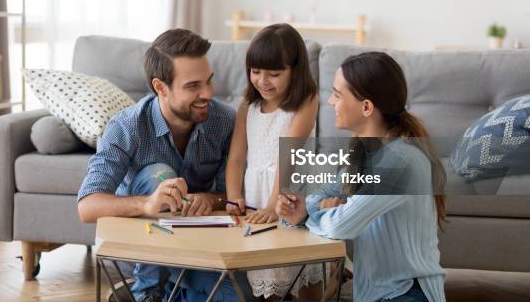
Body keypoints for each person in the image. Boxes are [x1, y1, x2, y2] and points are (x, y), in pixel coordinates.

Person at [77, 29, 243, 302]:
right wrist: (146, 204)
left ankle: (169, 292)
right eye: (193, 86)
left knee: (236, 296)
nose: (207, 94)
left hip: (197, 247)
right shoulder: (127, 126)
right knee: (159, 176)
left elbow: (231, 196)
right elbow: (87, 206)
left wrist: (209, 199)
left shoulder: (223, 121)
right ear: (160, 88)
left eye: (209, 81)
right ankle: (147, 294)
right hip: (143, 249)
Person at [276, 51, 447, 302]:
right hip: (378, 294)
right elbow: (319, 194)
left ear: (366, 107)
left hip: (407, 294)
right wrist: (304, 210)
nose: (331, 103)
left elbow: (339, 225)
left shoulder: (400, 163)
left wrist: (307, 214)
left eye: (337, 95)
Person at [225, 23, 323, 300]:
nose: (263, 80)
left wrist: (273, 204)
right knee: (268, 274)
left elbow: (288, 153)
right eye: (256, 72)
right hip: (257, 192)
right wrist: (234, 198)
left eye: (274, 74)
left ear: (295, 70)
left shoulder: (306, 100)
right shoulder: (248, 105)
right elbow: (236, 157)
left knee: (304, 271)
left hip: (289, 189)